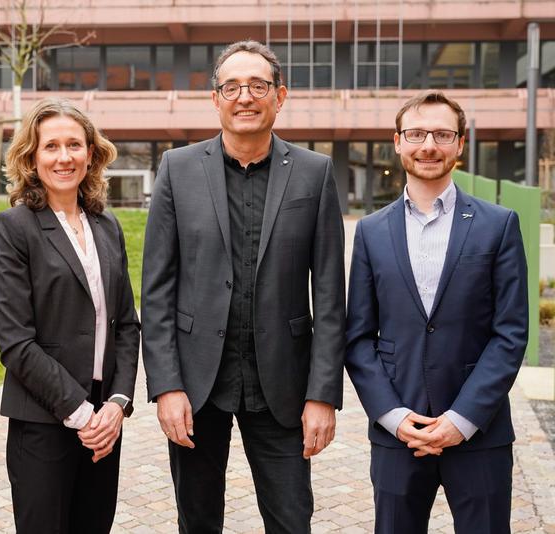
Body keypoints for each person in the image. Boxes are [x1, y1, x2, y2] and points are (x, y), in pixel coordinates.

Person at [141, 40, 346, 533]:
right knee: (198, 520)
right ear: (216, 99)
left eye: (258, 85)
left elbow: (332, 299)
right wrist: (166, 386)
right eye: (231, 86)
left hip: (284, 388)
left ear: (281, 96)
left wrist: (323, 396)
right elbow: (157, 290)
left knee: (292, 520)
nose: (245, 96)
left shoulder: (315, 174)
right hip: (196, 387)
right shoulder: (177, 168)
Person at [345, 90, 528, 534]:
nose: (429, 144)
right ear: (398, 141)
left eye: (442, 134)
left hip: (479, 431)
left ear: (460, 144)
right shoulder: (371, 232)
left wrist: (460, 420)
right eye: (417, 133)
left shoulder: (498, 225)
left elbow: (510, 333)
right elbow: (358, 338)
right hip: (397, 433)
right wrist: (393, 416)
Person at [0, 97, 140, 533]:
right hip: (45, 421)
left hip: (105, 422)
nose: (64, 157)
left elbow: (126, 323)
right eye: (50, 146)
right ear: (32, 157)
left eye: (74, 145)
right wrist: (81, 412)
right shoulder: (14, 228)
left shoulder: (106, 225)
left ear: (91, 153)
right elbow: (16, 343)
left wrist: (117, 403)